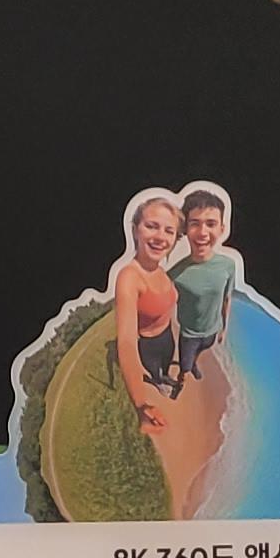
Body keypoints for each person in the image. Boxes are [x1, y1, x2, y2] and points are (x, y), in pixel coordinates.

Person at [110, 191, 184, 435]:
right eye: (151, 226)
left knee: (167, 365)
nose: (160, 236)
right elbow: (126, 343)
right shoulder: (130, 278)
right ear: (135, 230)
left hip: (167, 337)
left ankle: (163, 378)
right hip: (149, 345)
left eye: (169, 231)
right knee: (157, 373)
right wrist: (141, 405)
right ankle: (158, 383)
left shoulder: (160, 270)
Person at [170, 185, 243, 383]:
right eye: (195, 223)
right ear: (185, 229)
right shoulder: (175, 274)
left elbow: (226, 298)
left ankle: (193, 364)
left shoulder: (228, 265)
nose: (203, 232)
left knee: (199, 353)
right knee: (184, 366)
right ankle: (182, 378)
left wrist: (224, 328)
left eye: (211, 224)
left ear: (222, 229)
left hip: (212, 331)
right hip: (188, 334)